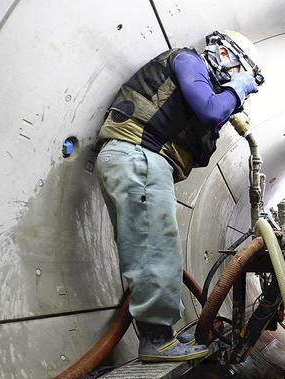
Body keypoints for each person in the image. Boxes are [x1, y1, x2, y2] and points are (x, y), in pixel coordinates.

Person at [96, 31, 263, 362]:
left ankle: (156, 335)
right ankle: (157, 340)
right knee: (156, 248)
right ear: (227, 55)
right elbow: (210, 109)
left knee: (152, 247)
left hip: (139, 160)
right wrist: (237, 89)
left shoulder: (199, 80)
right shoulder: (188, 60)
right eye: (238, 70)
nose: (235, 79)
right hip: (139, 155)